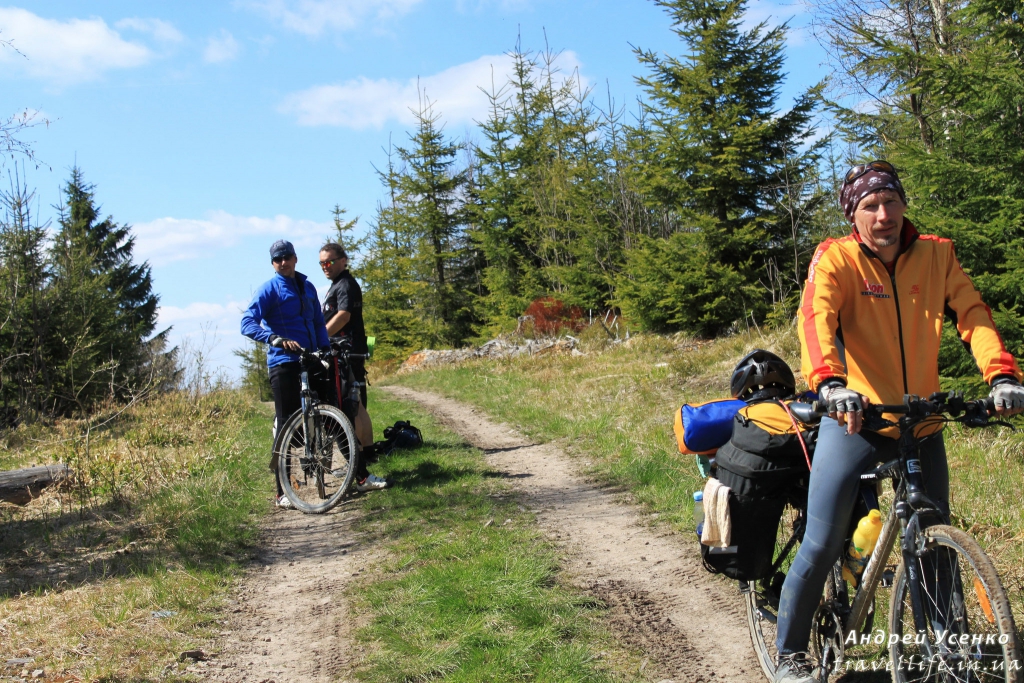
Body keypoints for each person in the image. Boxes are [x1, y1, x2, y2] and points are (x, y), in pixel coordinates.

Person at [774, 161, 1024, 683]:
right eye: (870, 206)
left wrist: (1001, 376)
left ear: (904, 205)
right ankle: (790, 653)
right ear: (854, 215)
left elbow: (973, 314)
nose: (883, 215)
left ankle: (946, 650)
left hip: (922, 422)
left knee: (934, 538)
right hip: (857, 421)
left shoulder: (937, 255)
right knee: (822, 540)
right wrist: (829, 385)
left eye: (891, 202)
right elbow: (815, 320)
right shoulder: (836, 258)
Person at [240, 239, 333, 509]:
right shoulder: (269, 289)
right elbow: (247, 322)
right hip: (283, 362)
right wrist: (273, 339)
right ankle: (281, 491)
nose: (283, 262)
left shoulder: (307, 287)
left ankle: (337, 466)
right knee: (285, 424)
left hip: (310, 358)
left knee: (329, 408)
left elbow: (318, 322)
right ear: (273, 264)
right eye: (277, 259)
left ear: (295, 258)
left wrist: (325, 349)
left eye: (287, 257)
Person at [319, 242, 388, 492]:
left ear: (343, 260)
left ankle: (358, 462)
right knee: (357, 406)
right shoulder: (337, 285)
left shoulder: (346, 284)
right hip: (348, 353)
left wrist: (319, 337)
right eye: (321, 263)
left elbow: (344, 315)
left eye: (329, 262)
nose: (325, 267)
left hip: (346, 354)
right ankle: (365, 455)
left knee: (350, 407)